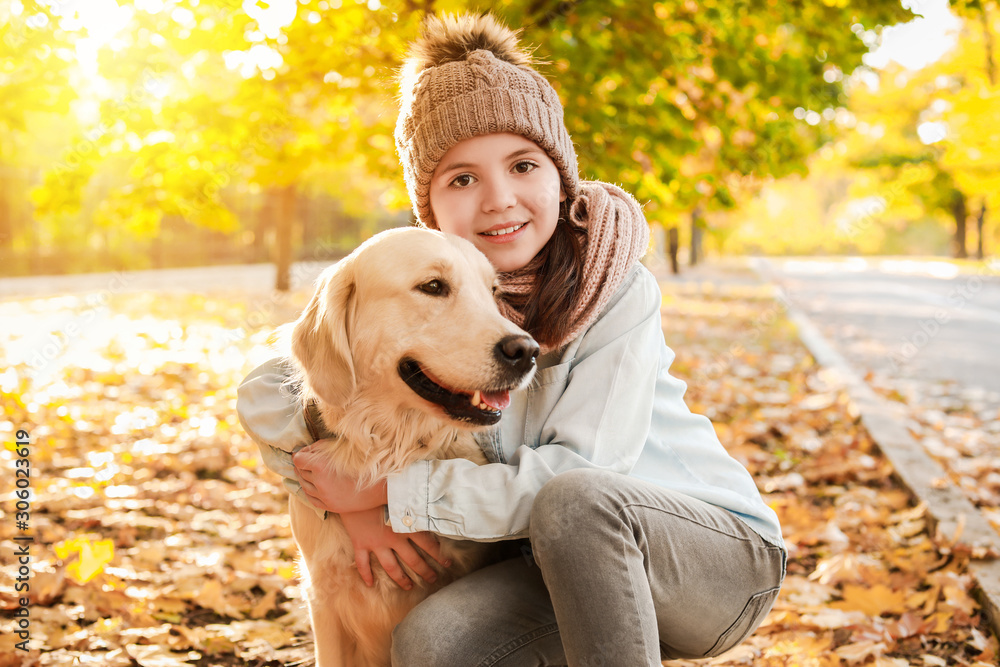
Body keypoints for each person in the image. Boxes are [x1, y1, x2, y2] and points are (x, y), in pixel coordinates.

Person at [237, 12, 785, 666]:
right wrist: (345, 498)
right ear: (429, 209)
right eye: (462, 178)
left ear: (561, 176)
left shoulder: (614, 288)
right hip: (556, 567)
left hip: (711, 560)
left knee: (575, 500)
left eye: (523, 164)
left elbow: (585, 476)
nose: (499, 198)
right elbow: (277, 379)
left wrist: (392, 494)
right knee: (434, 641)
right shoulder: (437, 284)